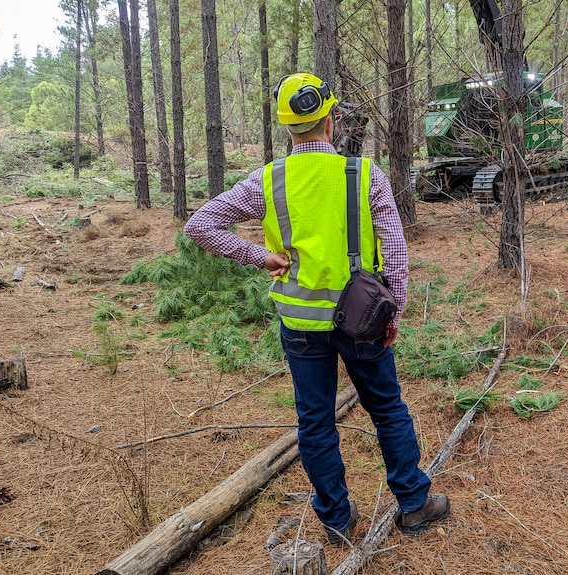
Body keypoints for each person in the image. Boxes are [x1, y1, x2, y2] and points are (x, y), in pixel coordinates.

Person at [184, 72, 449, 545]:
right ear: (331, 117)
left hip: (300, 324)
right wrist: (396, 311)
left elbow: (201, 224)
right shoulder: (365, 174)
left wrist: (257, 255)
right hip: (364, 319)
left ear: (288, 127)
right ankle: (413, 504)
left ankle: (335, 520)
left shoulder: (266, 181)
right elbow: (395, 250)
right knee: (386, 408)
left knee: (315, 420)